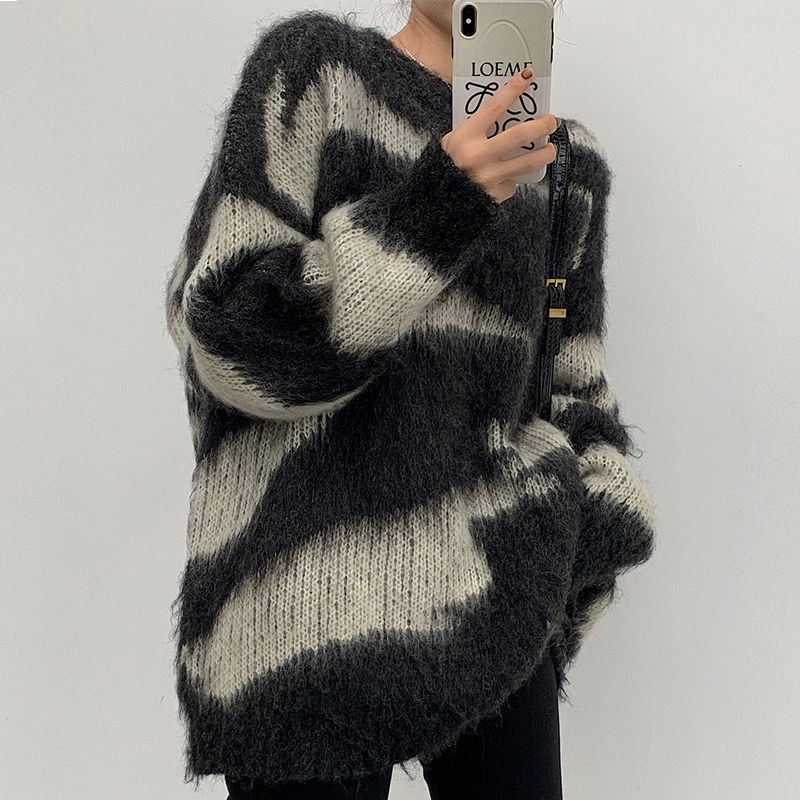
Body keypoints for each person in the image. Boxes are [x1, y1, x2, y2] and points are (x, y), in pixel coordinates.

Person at [163, 2, 657, 798]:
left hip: (501, 599)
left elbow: (571, 386)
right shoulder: (316, 75)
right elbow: (232, 335)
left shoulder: (565, 164)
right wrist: (441, 204)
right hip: (302, 611)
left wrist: (586, 537)